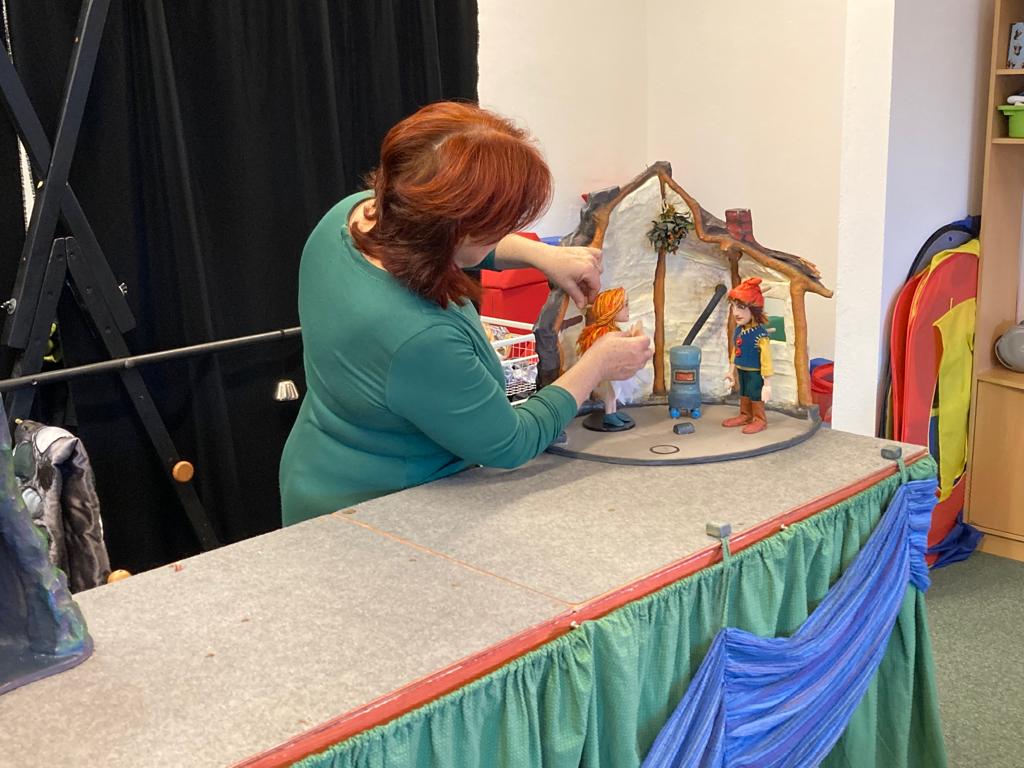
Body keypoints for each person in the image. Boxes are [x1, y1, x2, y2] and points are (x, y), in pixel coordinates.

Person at [280, 102, 653, 525]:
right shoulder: (418, 336)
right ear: (458, 229)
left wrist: (542, 256)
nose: (508, 233)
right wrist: (597, 364)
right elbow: (509, 443)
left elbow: (443, 242)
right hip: (378, 511)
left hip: (316, 469)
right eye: (501, 226)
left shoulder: (351, 217)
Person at [575, 287, 636, 431]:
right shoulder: (603, 333)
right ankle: (609, 414)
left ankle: (613, 412)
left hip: (612, 369)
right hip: (605, 371)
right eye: (625, 305)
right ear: (612, 309)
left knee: (614, 391)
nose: (628, 309)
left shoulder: (613, 330)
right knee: (610, 391)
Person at [722, 277, 773, 434]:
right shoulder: (739, 330)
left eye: (741, 307)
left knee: (755, 394)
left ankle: (759, 419)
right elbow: (736, 350)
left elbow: (766, 361)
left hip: (755, 373)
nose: (736, 313)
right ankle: (745, 415)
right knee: (744, 392)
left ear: (754, 309)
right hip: (741, 370)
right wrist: (731, 371)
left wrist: (767, 384)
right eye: (733, 307)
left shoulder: (760, 335)